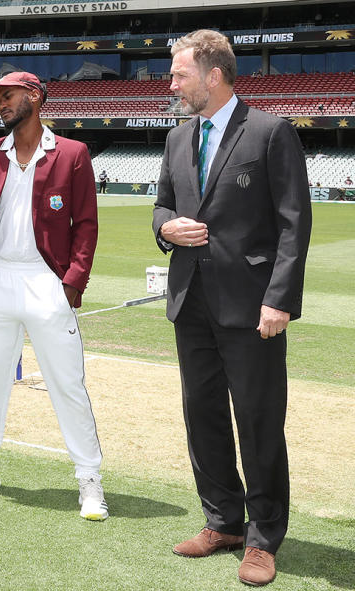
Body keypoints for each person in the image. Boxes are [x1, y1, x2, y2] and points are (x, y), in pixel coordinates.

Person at [152, 30, 311, 587]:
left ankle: (264, 538)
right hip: (190, 300)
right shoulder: (176, 138)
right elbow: (162, 205)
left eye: (179, 75)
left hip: (253, 309)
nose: (171, 84)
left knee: (259, 421)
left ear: (213, 75)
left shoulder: (270, 132)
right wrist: (165, 228)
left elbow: (295, 223)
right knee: (204, 416)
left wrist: (280, 299)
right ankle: (223, 520)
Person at [0, 71, 107, 521]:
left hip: (45, 281)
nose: (0, 103)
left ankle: (89, 480)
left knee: (67, 383)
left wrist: (72, 283)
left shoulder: (72, 153)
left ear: (34, 96)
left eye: (8, 95)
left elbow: (87, 224)